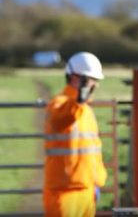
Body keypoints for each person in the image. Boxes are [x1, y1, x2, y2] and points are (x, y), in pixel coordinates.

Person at [43, 52, 107, 217]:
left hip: (87, 191)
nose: (95, 86)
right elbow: (59, 120)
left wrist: (96, 183)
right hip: (64, 194)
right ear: (76, 78)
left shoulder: (85, 110)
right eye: (92, 80)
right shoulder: (60, 103)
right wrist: (78, 101)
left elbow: (92, 151)